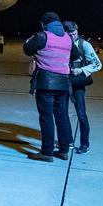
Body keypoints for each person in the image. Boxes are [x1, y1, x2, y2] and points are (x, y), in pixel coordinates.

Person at [23, 11, 73, 160]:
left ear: (44, 24)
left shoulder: (42, 36)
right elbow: (75, 55)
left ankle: (47, 152)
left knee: (46, 118)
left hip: (46, 84)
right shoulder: (68, 38)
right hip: (63, 84)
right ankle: (64, 150)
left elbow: (27, 50)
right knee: (62, 116)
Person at [63, 20, 103, 154]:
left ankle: (85, 143)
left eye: (74, 34)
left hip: (77, 82)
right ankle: (67, 141)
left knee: (81, 114)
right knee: (62, 114)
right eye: (69, 34)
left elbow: (98, 64)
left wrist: (81, 70)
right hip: (64, 82)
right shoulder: (62, 43)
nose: (72, 37)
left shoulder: (84, 44)